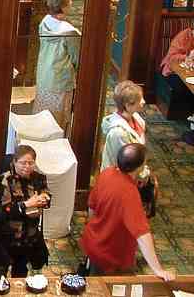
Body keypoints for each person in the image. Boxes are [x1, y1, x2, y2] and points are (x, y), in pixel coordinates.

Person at [79, 144, 174, 280]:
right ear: (139, 167)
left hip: (93, 242)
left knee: (92, 277)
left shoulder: (107, 172)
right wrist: (158, 270)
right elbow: (142, 234)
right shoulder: (129, 194)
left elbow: (91, 208)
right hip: (110, 253)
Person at [100, 81, 155, 215]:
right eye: (138, 100)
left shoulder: (136, 118)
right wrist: (143, 174)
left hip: (136, 171)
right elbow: (129, 161)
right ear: (127, 105)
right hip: (120, 178)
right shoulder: (119, 133)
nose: (143, 102)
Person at [0, 145, 51, 277]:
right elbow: (2, 211)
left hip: (29, 236)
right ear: (15, 162)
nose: (27, 166)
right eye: (23, 163)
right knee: (1, 271)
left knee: (21, 272)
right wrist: (26, 204)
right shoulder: (5, 180)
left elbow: (48, 196)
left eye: (31, 163)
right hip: (9, 236)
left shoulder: (39, 178)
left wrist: (45, 199)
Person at [33, 0, 80, 131]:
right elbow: (77, 57)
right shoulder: (70, 32)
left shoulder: (44, 22)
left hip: (44, 73)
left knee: (43, 112)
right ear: (64, 7)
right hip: (61, 80)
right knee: (58, 118)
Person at [159, 25, 194, 111]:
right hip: (172, 71)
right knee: (185, 87)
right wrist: (187, 57)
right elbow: (171, 58)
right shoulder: (183, 36)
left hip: (189, 72)